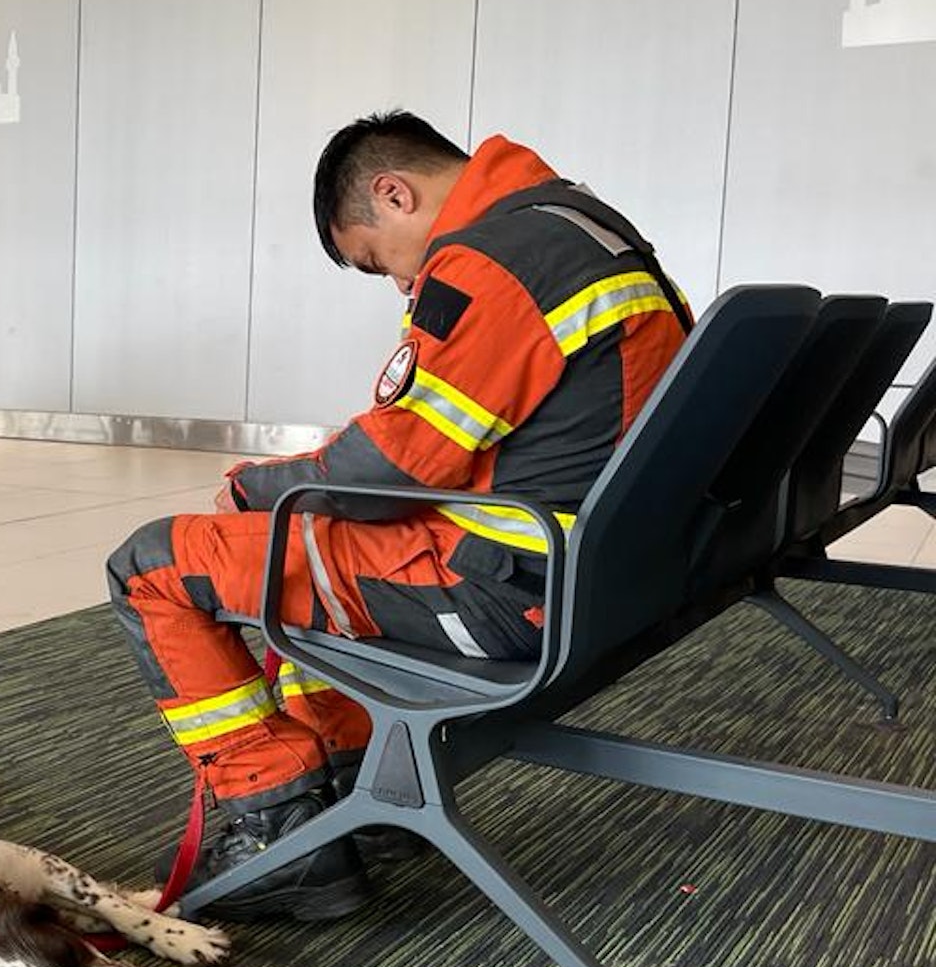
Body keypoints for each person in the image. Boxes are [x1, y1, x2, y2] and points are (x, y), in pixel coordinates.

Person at [107, 111, 691, 921]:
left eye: (377, 260)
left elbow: (397, 465)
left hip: (509, 596)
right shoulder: (591, 231)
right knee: (326, 548)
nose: (399, 286)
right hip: (605, 575)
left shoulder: (497, 263)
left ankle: (273, 824)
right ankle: (355, 794)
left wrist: (258, 486)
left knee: (153, 567)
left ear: (394, 193)